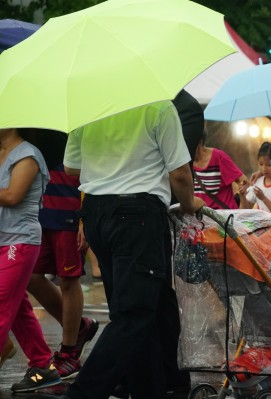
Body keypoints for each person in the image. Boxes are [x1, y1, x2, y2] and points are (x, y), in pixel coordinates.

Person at [61, 101, 203, 399]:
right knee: (134, 316)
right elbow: (179, 172)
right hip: (137, 215)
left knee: (141, 315)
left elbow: (71, 167)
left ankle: (148, 391)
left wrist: (108, 160)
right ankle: (82, 393)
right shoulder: (158, 107)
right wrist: (190, 205)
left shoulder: (88, 107)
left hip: (97, 212)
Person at [21, 128, 99, 380]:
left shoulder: (76, 121)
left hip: (70, 208)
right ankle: (79, 328)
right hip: (40, 208)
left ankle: (69, 353)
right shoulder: (34, 121)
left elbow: (90, 168)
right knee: (31, 276)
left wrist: (84, 218)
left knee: (69, 279)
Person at [0, 128, 62, 392]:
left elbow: (13, 196)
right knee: (19, 311)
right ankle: (42, 366)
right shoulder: (2, 153)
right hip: (3, 240)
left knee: (2, 302)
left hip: (20, 241)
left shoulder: (27, 154)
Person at [192, 130, 248, 209]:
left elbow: (244, 181)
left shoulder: (219, 157)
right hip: (200, 219)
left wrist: (242, 188)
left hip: (223, 218)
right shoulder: (185, 164)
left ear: (199, 142)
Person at [240, 142, 271, 218]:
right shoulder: (258, 181)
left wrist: (263, 198)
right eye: (261, 164)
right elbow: (246, 209)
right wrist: (242, 195)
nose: (264, 169)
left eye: (269, 165)